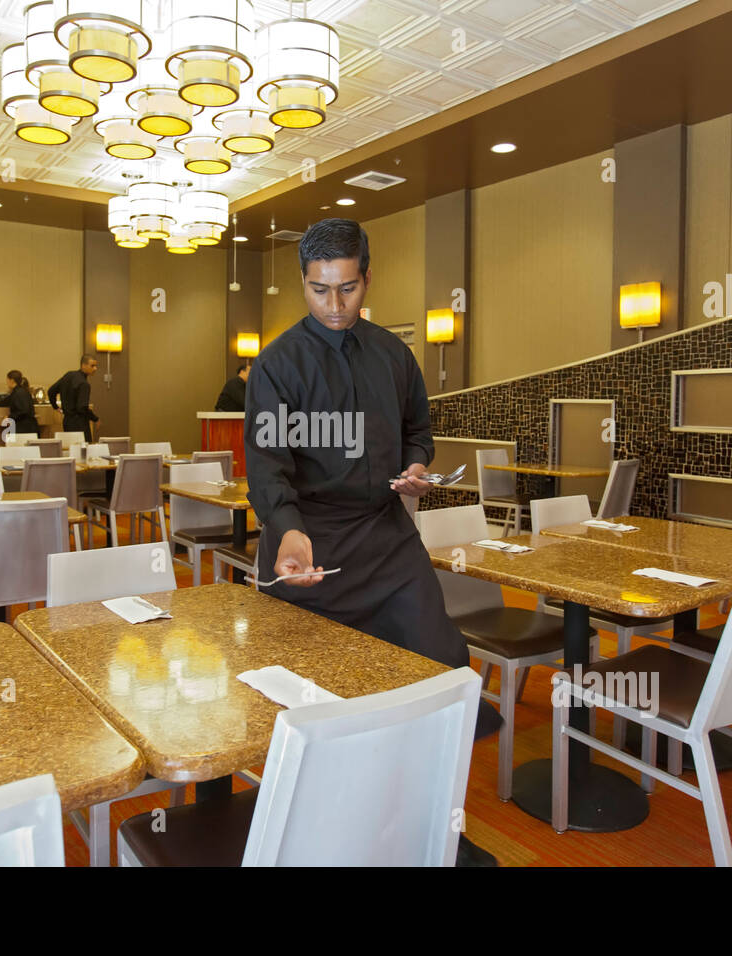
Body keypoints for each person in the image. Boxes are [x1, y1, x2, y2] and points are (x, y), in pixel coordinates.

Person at [244, 220, 499, 865]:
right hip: (310, 540)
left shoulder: (394, 354)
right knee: (307, 698)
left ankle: (425, 825)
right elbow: (268, 464)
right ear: (303, 283)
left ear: (366, 278)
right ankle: (314, 836)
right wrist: (288, 531)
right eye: (319, 290)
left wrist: (416, 467)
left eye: (347, 289)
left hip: (387, 537)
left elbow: (419, 428)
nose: (334, 306)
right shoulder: (277, 364)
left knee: (442, 666)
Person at [48, 354, 99, 441]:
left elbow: (51, 391)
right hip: (80, 423)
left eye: (96, 366)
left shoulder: (68, 375)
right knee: (83, 450)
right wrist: (95, 418)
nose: (95, 369)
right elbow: (82, 407)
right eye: (92, 366)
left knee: (70, 448)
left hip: (67, 422)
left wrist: (55, 406)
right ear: (83, 365)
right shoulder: (84, 384)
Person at [4, 370, 39, 436]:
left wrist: (10, 417)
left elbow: (24, 410)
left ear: (12, 380)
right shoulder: (23, 391)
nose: (6, 382)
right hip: (30, 427)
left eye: (7, 380)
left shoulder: (18, 393)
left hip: (23, 429)